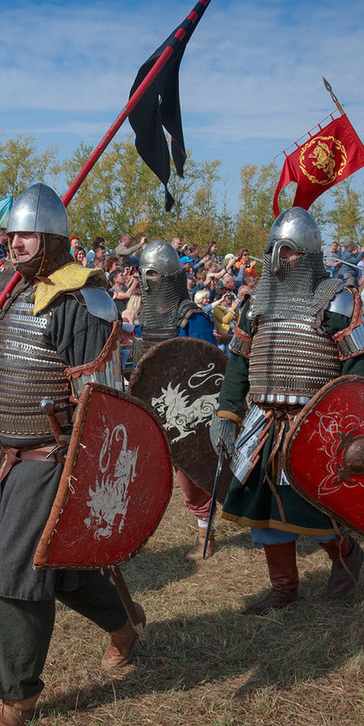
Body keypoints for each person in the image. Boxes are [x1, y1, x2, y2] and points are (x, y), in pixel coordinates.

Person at [0, 183, 138, 726]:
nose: (14, 242)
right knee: (58, 569)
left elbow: (103, 400)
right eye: (10, 234)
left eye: (25, 233)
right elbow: (6, 372)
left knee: (13, 577)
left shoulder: (81, 300)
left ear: (52, 237)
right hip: (10, 457)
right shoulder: (11, 291)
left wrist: (86, 472)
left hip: (53, 460)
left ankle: (13, 699)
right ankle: (126, 624)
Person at [208, 209, 364, 616]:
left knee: (315, 504)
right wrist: (227, 413)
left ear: (310, 254)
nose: (280, 259)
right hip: (262, 420)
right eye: (274, 251)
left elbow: (361, 361)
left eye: (289, 251)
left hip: (314, 421)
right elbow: (238, 362)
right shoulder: (257, 303)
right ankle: (284, 587)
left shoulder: (337, 297)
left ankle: (346, 554)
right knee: (261, 503)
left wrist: (345, 420)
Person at [137, 239, 221, 558]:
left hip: (190, 412)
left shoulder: (191, 317)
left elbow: (208, 367)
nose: (149, 281)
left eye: (155, 274)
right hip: (157, 407)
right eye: (146, 274)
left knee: (192, 478)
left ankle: (205, 534)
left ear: (170, 277)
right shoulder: (149, 320)